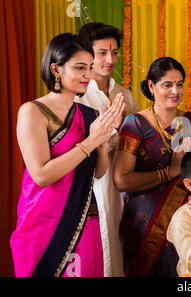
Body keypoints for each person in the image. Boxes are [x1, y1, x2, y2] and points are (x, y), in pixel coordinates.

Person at [10, 33, 124, 277]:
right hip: (43, 221)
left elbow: (99, 172)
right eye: (80, 68)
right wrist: (91, 141)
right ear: (56, 69)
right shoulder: (33, 111)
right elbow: (40, 175)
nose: (88, 75)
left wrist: (101, 141)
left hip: (85, 219)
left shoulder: (90, 114)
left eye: (90, 68)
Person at [113, 57, 191, 276]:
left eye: (179, 84)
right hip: (143, 225)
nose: (175, 91)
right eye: (167, 85)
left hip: (185, 224)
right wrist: (170, 172)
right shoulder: (136, 123)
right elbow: (120, 180)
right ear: (151, 85)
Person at [75, 22, 138, 277]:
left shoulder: (126, 96)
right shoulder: (77, 96)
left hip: (121, 182)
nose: (110, 59)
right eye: (102, 52)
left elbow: (133, 143)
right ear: (86, 53)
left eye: (114, 52)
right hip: (89, 186)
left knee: (119, 243)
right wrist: (111, 130)